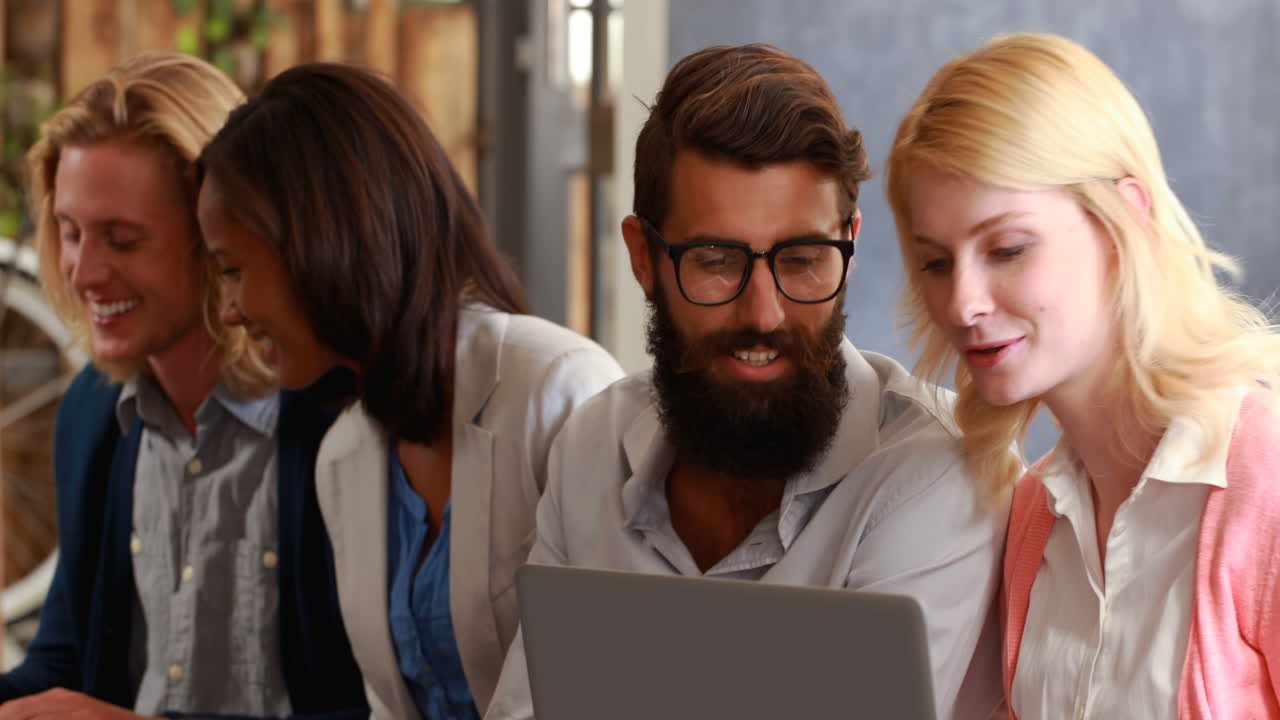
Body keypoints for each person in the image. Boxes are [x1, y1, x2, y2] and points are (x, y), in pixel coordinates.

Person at [483, 43, 1007, 720]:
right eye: (715, 260)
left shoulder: (934, 476)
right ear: (643, 257)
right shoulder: (591, 447)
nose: (765, 314)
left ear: (849, 243)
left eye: (803, 259)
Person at [196, 63, 624, 720]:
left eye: (232, 270)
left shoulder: (561, 392)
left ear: (325, 242)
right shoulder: (344, 455)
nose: (228, 310)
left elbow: (613, 682)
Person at [886, 32, 1280, 718]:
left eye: (1007, 249)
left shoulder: (1265, 479)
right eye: (937, 263)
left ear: (1125, 218)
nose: (962, 304)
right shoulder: (1033, 516)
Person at [0, 54, 367, 720]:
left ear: (218, 234)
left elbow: (387, 708)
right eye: (71, 233)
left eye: (122, 240)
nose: (83, 272)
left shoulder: (341, 417)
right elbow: (64, 664)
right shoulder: (92, 411)